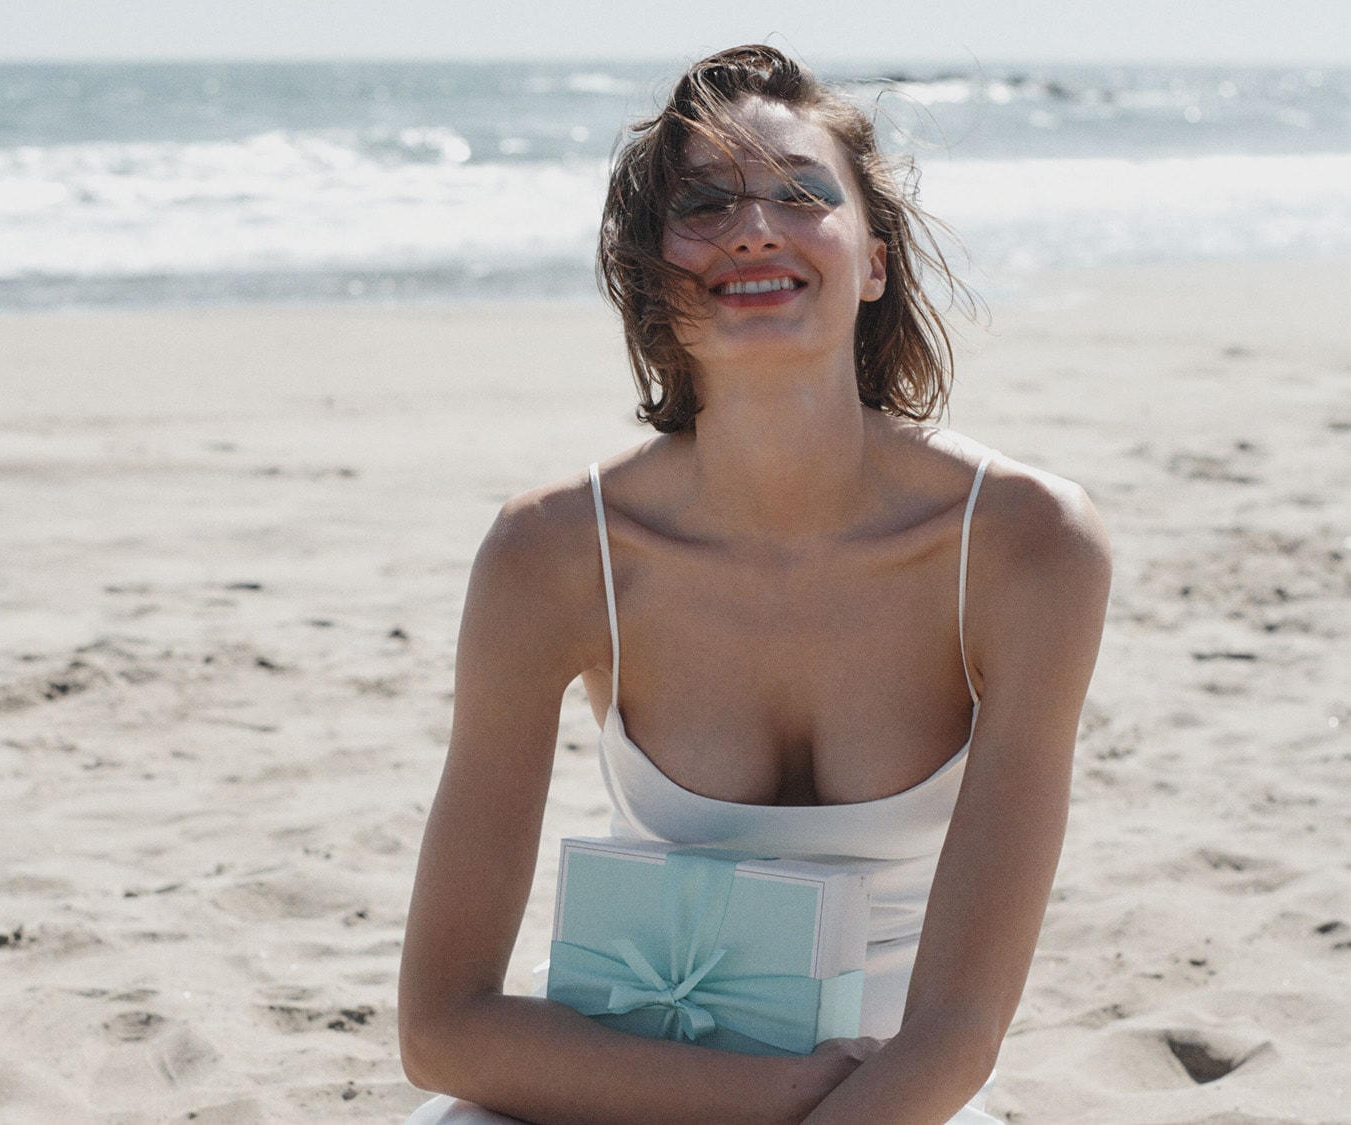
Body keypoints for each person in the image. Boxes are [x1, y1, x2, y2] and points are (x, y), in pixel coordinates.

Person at [399, 45, 1109, 1124]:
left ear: (872, 259)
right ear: (651, 272)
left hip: (895, 1095)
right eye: (705, 205)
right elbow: (443, 1027)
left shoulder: (1025, 544)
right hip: (637, 1081)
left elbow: (958, 1031)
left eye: (802, 193)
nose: (755, 228)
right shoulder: (551, 554)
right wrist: (772, 1095)